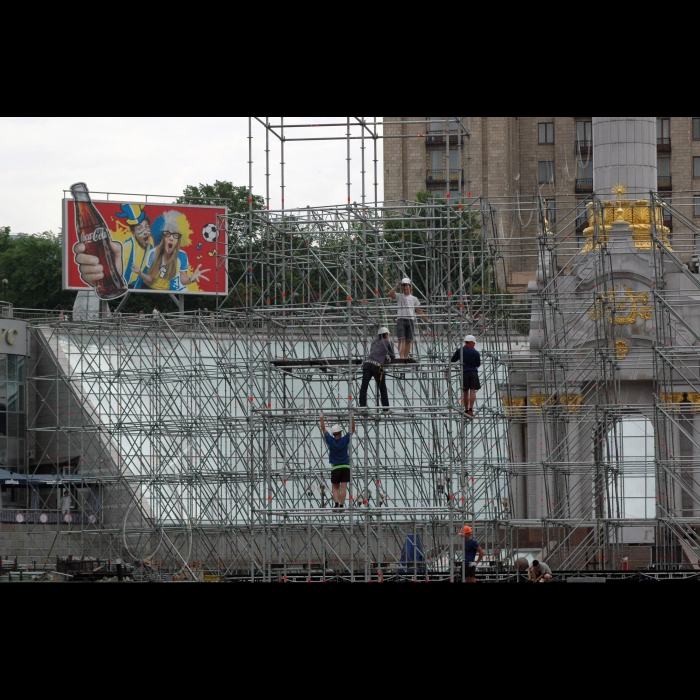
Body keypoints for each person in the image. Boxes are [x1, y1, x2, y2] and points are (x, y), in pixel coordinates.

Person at [132, 211, 210, 292]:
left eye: (175, 235)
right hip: (148, 289)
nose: (171, 238)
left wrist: (192, 278)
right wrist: (140, 273)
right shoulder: (154, 253)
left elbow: (183, 281)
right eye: (167, 234)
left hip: (166, 291)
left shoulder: (182, 256)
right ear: (163, 238)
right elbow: (150, 279)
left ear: (178, 240)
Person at [320, 413, 356, 510]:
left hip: (335, 467)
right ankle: (341, 505)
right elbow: (353, 429)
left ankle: (336, 504)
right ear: (340, 432)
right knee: (344, 487)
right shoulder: (344, 439)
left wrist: (321, 417)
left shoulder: (330, 440)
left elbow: (323, 429)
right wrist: (352, 417)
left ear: (333, 434)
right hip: (345, 466)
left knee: (335, 487)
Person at [388, 278, 430, 359]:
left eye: (407, 288)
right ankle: (402, 357)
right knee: (401, 339)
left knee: (408, 340)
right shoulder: (399, 296)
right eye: (404, 288)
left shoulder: (414, 298)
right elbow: (390, 294)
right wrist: (398, 285)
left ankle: (405, 357)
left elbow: (419, 310)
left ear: (410, 288)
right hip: (401, 319)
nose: (405, 290)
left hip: (410, 320)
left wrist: (427, 320)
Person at [116, 204, 154, 290]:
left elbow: (150, 276)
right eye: (140, 228)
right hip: (122, 287)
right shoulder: (126, 247)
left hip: (139, 287)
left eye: (147, 227)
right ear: (133, 233)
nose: (145, 232)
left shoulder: (151, 249)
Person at [359, 327, 396, 413]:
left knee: (364, 387)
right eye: (388, 334)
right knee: (382, 387)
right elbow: (393, 356)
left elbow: (375, 352)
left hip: (367, 364)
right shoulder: (387, 342)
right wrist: (387, 356)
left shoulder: (373, 341)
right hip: (377, 366)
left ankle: (362, 406)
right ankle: (386, 409)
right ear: (386, 334)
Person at [452, 335, 481, 419]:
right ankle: (471, 410)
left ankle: (466, 409)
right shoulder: (475, 352)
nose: (474, 345)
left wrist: (458, 353)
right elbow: (478, 364)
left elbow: (453, 360)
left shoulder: (460, 351)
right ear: (471, 343)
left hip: (464, 372)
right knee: (472, 391)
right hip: (473, 373)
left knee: (465, 391)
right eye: (474, 343)